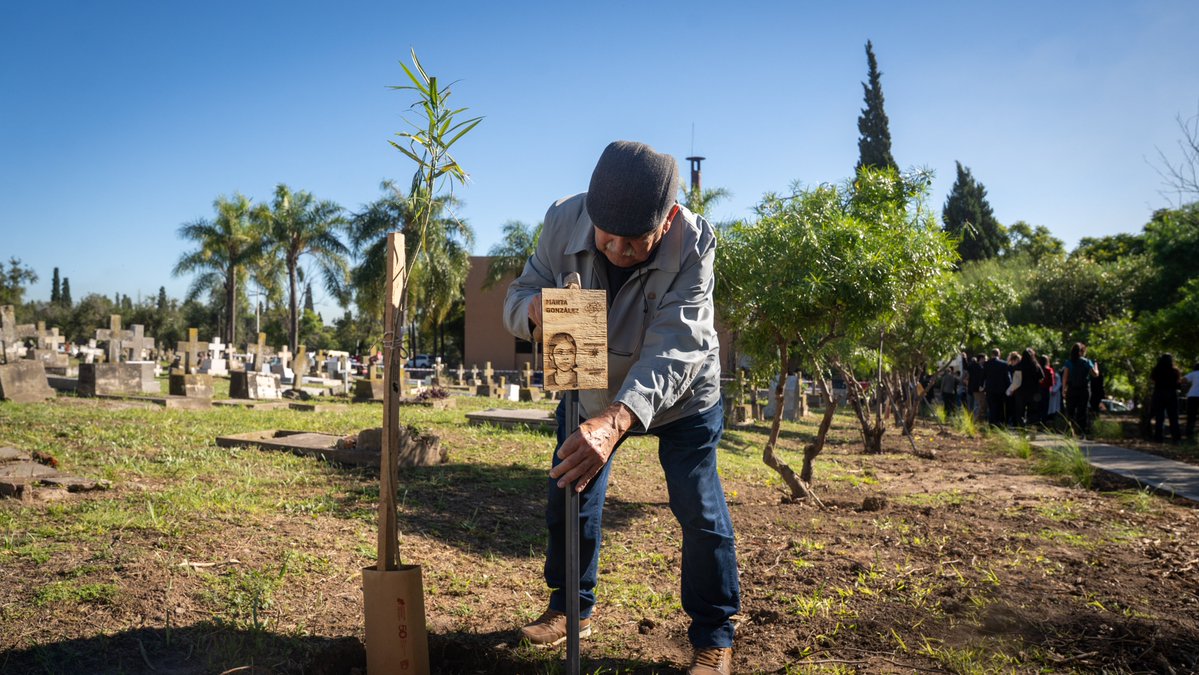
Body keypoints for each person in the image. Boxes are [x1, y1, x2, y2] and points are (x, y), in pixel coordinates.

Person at [504, 140, 738, 675]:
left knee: (698, 507)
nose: (615, 249)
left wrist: (615, 421)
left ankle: (714, 635)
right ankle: (571, 608)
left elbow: (674, 347)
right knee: (569, 491)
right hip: (588, 382)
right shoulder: (565, 218)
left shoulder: (696, 243)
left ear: (669, 218)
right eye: (606, 234)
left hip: (681, 395)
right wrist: (536, 309)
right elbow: (517, 297)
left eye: (634, 241)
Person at [1061, 342, 1098, 438]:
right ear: (1081, 352)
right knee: (1082, 411)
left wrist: (1063, 389)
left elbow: (1065, 377)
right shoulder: (1086, 362)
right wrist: (1096, 366)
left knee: (1070, 411)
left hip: (1072, 389)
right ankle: (1082, 433)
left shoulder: (1068, 362)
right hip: (1084, 389)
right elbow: (1095, 374)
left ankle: (1069, 432)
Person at [1149, 353, 1183, 443]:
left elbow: (1152, 380)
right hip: (1171, 394)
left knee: (1159, 417)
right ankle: (1176, 438)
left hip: (1159, 394)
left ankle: (1158, 438)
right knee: (1173, 417)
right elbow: (1178, 384)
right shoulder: (1175, 371)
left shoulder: (1156, 370)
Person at [982, 348, 1011, 427]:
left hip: (990, 389)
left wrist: (982, 387)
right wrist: (1009, 388)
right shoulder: (1004, 364)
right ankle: (1000, 424)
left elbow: (983, 376)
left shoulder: (986, 364)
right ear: (999, 354)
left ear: (992, 354)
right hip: (1001, 390)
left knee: (992, 407)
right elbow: (1007, 378)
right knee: (1000, 407)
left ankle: (992, 423)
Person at [1037, 354, 1056, 425]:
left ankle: (1037, 422)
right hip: (1046, 390)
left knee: (1038, 406)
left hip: (1038, 391)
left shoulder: (1037, 369)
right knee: (1045, 407)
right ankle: (1043, 423)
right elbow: (1051, 382)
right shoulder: (1049, 370)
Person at [1183, 363, 1199, 440]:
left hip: (1193, 396)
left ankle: (1189, 433)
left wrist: (1185, 387)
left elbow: (1183, 380)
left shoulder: (1193, 373)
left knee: (1191, 415)